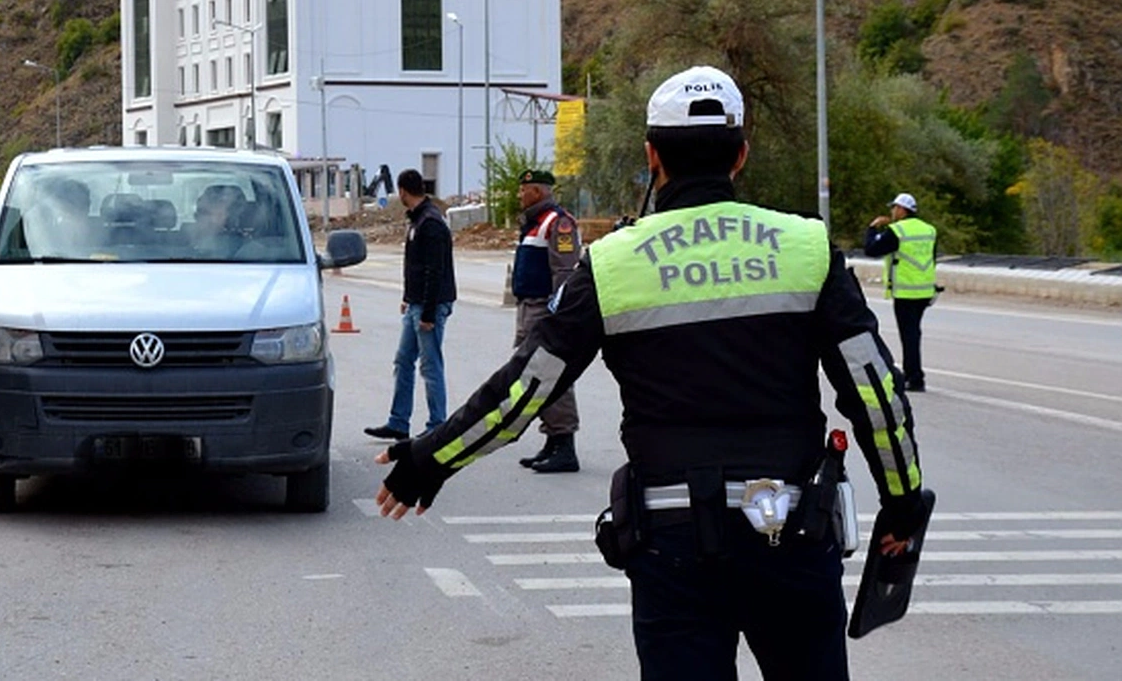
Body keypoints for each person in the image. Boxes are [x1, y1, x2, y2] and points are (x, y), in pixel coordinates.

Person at [372, 65, 928, 680]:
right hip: (790, 532)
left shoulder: (612, 263)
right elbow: (875, 392)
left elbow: (524, 391)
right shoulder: (806, 247)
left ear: (651, 155)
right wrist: (901, 501)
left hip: (674, 544)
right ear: (740, 155)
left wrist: (430, 459)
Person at [364, 169, 457, 441]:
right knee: (404, 360)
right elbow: (416, 267)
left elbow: (434, 271)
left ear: (403, 191)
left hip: (430, 306)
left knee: (430, 366)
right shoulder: (418, 220)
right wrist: (408, 296)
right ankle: (398, 422)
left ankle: (437, 426)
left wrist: (427, 312)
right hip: (416, 303)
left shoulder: (430, 223)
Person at [511, 169, 582, 473]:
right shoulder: (534, 223)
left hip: (544, 310)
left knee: (552, 375)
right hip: (528, 309)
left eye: (523, 190)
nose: (519, 195)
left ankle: (564, 444)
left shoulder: (558, 223)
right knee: (532, 376)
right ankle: (552, 439)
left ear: (537, 192)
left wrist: (558, 314)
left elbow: (564, 274)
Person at [864, 192, 938, 392]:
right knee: (913, 332)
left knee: (909, 335)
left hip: (906, 291)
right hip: (925, 290)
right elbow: (932, 257)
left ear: (901, 209)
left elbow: (871, 249)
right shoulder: (929, 230)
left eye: (894, 208)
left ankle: (915, 378)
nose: (892, 211)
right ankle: (913, 374)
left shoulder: (897, 231)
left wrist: (872, 228)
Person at [189, 184, 247, 257]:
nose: (196, 217)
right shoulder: (178, 246)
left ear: (230, 216)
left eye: (206, 213)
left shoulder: (251, 251)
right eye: (200, 212)